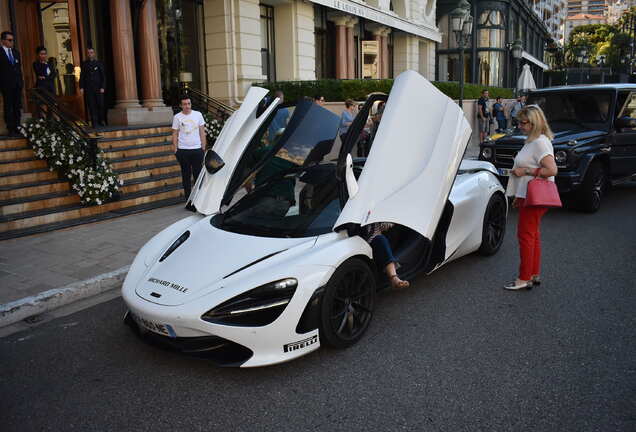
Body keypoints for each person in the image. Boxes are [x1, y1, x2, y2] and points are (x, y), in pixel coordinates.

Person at [504, 105, 558, 290]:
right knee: (533, 235)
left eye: (523, 122)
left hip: (534, 196)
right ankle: (533, 274)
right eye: (518, 121)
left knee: (525, 235)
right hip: (528, 194)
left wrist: (526, 170)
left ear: (534, 122)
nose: (519, 125)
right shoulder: (533, 140)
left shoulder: (540, 143)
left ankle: (523, 278)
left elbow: (552, 170)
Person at [172, 96, 206, 207]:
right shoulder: (177, 117)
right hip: (183, 151)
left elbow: (202, 131)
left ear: (191, 104)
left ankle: (198, 198)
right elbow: (175, 133)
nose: (187, 106)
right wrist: (175, 148)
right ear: (181, 106)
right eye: (184, 104)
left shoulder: (198, 115)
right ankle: (188, 199)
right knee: (186, 175)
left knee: (198, 175)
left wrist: (203, 146)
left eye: (188, 103)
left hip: (197, 150)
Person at [363, 223, 409, 289]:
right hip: (368, 242)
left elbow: (384, 227)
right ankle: (393, 278)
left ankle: (394, 277)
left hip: (379, 237)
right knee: (380, 239)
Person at [0, 31, 23, 136]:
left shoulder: (15, 52)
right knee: (8, 106)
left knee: (17, 106)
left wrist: (21, 82)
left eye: (13, 40)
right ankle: (10, 128)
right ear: (3, 41)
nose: (12, 42)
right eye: (9, 40)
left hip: (17, 84)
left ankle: (17, 126)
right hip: (6, 85)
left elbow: (18, 69)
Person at [79, 47, 106, 127]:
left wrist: (103, 87)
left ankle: (101, 120)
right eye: (88, 53)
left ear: (94, 53)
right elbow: (82, 76)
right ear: (87, 54)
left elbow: (103, 76)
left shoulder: (99, 63)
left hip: (98, 88)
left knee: (100, 104)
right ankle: (95, 123)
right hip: (89, 88)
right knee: (91, 105)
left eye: (91, 52)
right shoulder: (84, 64)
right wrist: (81, 87)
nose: (90, 54)